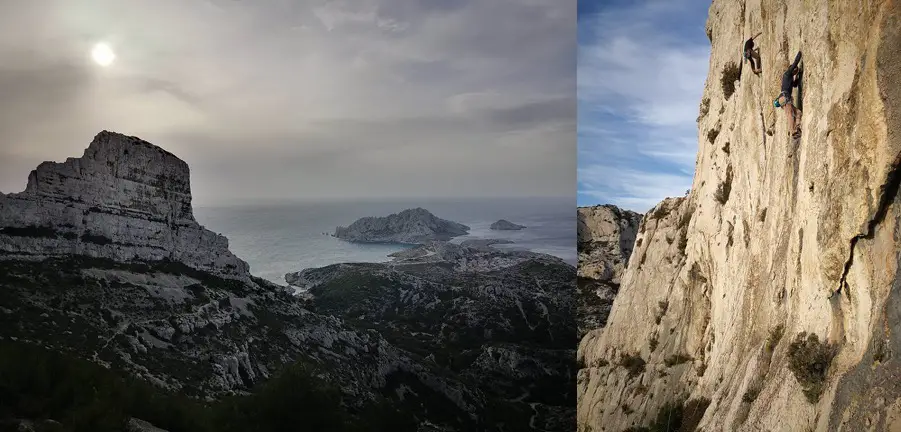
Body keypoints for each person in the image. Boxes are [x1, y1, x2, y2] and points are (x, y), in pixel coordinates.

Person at [774, 51, 803, 138]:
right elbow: (794, 63)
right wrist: (799, 54)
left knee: (798, 112)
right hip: (785, 97)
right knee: (790, 114)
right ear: (792, 69)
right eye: (795, 70)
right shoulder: (787, 74)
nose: (795, 72)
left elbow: (795, 84)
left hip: (784, 98)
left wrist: (798, 75)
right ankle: (792, 131)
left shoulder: (789, 78)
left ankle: (797, 127)